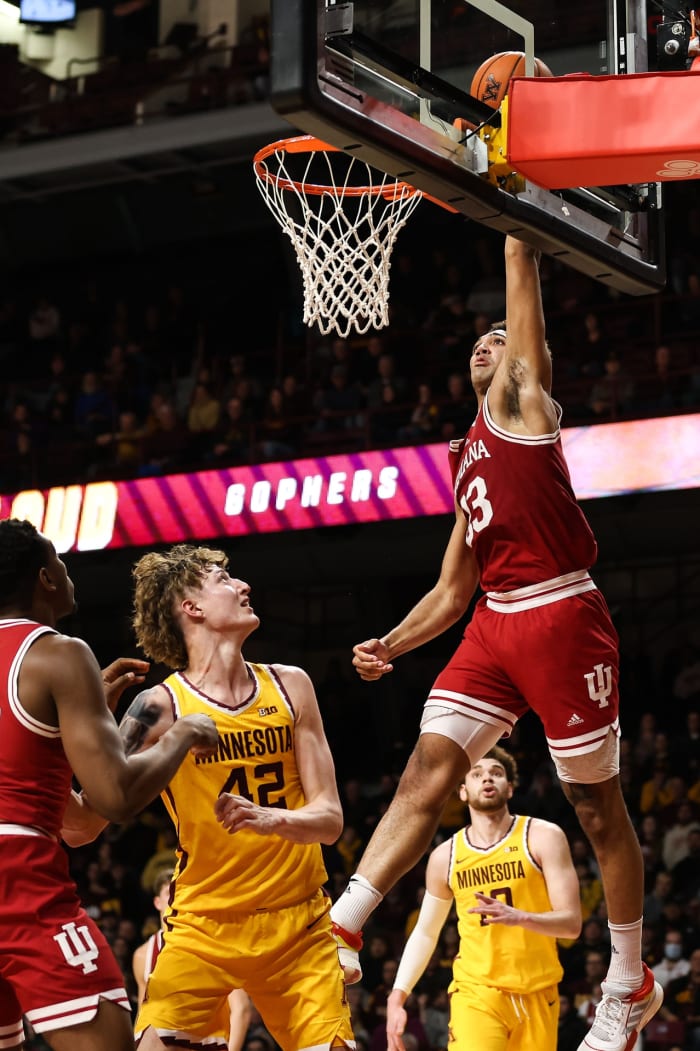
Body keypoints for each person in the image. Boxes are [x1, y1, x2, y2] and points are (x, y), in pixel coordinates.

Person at [331, 234, 663, 1051]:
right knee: (425, 769)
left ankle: (630, 979)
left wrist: (515, 221)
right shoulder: (466, 457)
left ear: (519, 361)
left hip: (560, 615)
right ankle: (341, 924)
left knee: (594, 803)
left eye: (499, 339)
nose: (488, 343)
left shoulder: (524, 410)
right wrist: (392, 643)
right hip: (494, 620)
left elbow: (523, 286)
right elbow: (452, 588)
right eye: (475, 343)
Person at [118, 542, 354, 1051]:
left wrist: (270, 819)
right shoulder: (160, 706)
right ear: (191, 607)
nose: (243, 585)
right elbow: (96, 807)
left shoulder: (292, 686)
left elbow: (330, 819)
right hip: (205, 923)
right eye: (224, 579)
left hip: (300, 923)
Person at [0, 517, 219, 1051]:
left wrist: (84, 730)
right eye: (60, 561)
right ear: (45, 578)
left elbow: (75, 825)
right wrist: (182, 733)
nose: (68, 571)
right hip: (18, 880)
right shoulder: (58, 653)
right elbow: (115, 798)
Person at [385, 747, 581, 1051]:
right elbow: (426, 932)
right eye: (477, 774)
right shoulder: (445, 857)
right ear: (463, 792)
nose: (487, 777)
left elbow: (571, 925)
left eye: (496, 773)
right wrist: (398, 995)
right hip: (477, 991)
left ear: (510, 788)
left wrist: (522, 917)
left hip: (539, 991)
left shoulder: (543, 837)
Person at [132, 867, 253, 1051]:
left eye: (179, 889)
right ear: (157, 902)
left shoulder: (212, 941)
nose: (175, 896)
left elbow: (241, 1009)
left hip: (210, 1043)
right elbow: (142, 1017)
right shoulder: (143, 955)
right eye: (168, 892)